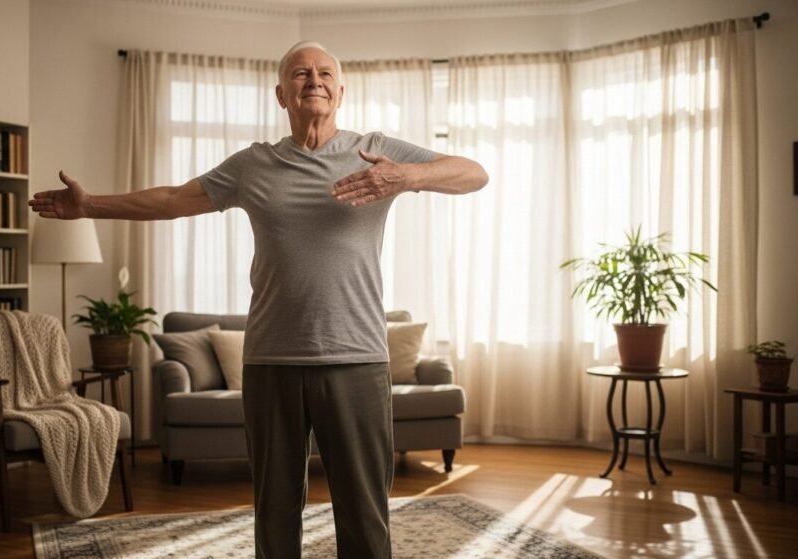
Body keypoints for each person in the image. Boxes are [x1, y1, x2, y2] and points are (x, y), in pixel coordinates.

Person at [30, 41, 487, 559]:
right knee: (274, 511)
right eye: (300, 73)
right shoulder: (255, 165)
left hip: (357, 359)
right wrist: (92, 205)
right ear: (280, 94)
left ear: (340, 91)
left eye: (324, 73)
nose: (313, 80)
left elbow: (474, 172)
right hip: (270, 361)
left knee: (363, 511)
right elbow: (174, 200)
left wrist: (406, 176)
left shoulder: (376, 151)